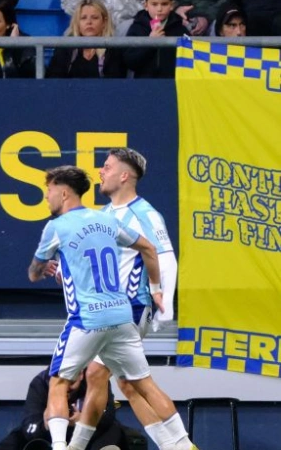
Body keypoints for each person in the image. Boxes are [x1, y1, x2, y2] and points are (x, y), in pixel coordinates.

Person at [27, 165, 197, 450]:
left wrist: (41, 269)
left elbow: (34, 271)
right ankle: (182, 445)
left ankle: (61, 448)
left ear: (64, 191)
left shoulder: (56, 227)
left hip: (88, 319)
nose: (46, 197)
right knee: (140, 384)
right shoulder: (105, 220)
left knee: (57, 382)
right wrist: (158, 289)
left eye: (49, 190)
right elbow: (148, 248)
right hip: (120, 315)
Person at [73, 148, 180, 450]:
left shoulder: (144, 214)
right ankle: (177, 446)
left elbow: (166, 258)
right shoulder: (104, 216)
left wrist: (165, 305)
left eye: (106, 167)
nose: (99, 172)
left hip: (132, 305)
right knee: (128, 386)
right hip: (108, 310)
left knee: (98, 373)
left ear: (124, 175)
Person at [0, 368, 125, 450]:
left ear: (82, 374)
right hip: (48, 436)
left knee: (113, 428)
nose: (66, 388)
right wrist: (46, 426)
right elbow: (29, 425)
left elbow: (109, 415)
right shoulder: (40, 383)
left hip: (88, 432)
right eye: (61, 384)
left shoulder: (95, 380)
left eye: (71, 383)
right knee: (16, 436)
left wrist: (84, 420)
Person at [124, 0, 189, 79]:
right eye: (154, 4)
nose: (159, 9)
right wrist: (150, 44)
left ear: (172, 5)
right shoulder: (137, 27)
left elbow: (189, 61)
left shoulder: (180, 29)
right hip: (144, 86)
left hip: (172, 84)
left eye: (164, 4)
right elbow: (130, 61)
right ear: (146, 5)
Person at [47, 0, 125, 79]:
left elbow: (115, 85)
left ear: (104, 22)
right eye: (83, 18)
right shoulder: (65, 48)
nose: (89, 22)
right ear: (77, 23)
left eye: (95, 18)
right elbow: (54, 82)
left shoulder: (113, 50)